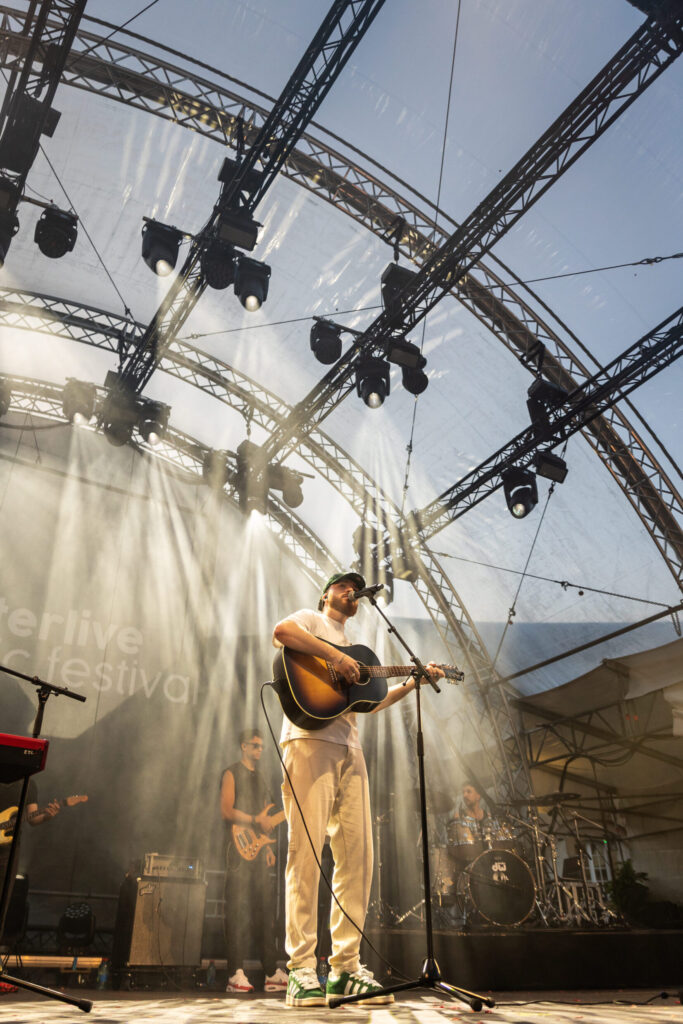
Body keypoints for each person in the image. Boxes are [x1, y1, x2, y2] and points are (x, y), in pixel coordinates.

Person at [272, 570, 445, 1007]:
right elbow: (281, 632)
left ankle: (346, 970)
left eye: (356, 587)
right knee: (306, 856)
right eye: (345, 585)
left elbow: (371, 702)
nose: (353, 590)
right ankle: (301, 971)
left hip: (350, 749)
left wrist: (413, 681)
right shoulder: (310, 619)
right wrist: (337, 656)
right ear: (328, 593)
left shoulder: (360, 647)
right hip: (308, 743)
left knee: (358, 859)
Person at [220, 728, 288, 994]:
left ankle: (271, 973)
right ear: (243, 747)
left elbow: (267, 818)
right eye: (255, 746)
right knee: (236, 911)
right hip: (236, 848)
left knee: (265, 913)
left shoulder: (262, 779)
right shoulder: (231, 772)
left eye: (261, 747)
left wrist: (268, 849)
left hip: (258, 851)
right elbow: (226, 810)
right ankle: (234, 973)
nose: (259, 751)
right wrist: (254, 821)